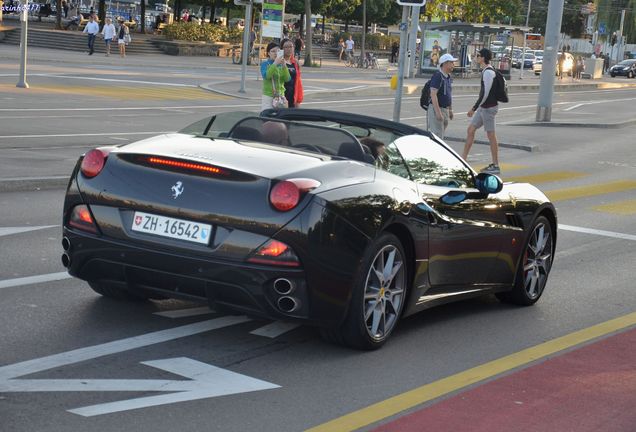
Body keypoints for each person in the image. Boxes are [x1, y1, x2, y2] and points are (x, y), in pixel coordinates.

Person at [461, 48, 501, 175]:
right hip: (484, 107)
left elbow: (485, 93)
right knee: (470, 130)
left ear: (483, 58)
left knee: (491, 135)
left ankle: (495, 165)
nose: (476, 57)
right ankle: (463, 160)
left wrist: (474, 108)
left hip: (489, 108)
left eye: (478, 56)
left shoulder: (488, 72)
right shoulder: (486, 71)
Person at [427, 53, 456, 139]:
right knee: (437, 136)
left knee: (439, 134)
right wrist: (438, 113)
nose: (453, 65)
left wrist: (450, 110)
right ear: (446, 63)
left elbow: (449, 94)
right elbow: (433, 94)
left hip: (445, 109)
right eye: (452, 62)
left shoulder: (448, 77)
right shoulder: (438, 76)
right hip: (437, 109)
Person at [260, 42, 291, 111]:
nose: (275, 53)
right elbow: (266, 76)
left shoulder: (282, 64)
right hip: (269, 96)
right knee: (267, 117)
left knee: (280, 119)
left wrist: (284, 66)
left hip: (281, 96)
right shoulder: (265, 64)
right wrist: (275, 64)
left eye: (277, 51)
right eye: (272, 51)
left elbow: (287, 79)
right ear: (268, 53)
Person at [280, 39, 304, 108]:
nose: (289, 49)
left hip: (292, 97)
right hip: (281, 97)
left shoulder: (295, 63)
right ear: (282, 49)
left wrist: (298, 100)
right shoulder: (278, 62)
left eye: (291, 46)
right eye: (286, 47)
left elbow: (298, 82)